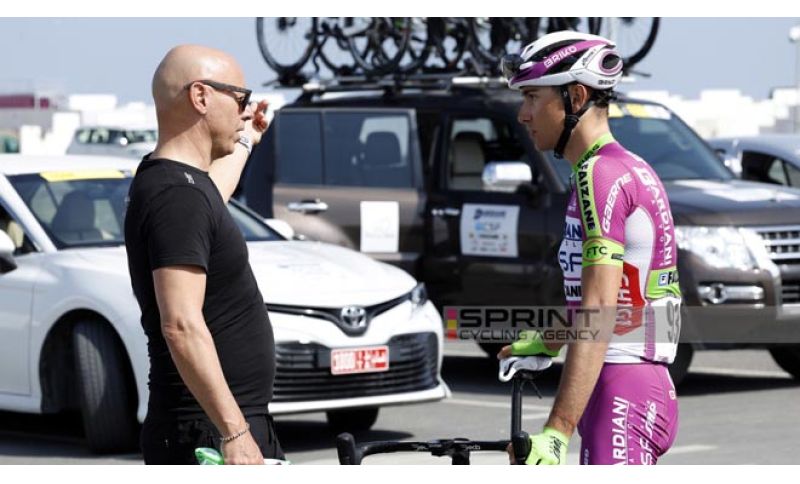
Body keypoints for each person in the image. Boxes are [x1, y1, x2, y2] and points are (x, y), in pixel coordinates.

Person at [498, 31, 681, 465]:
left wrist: (556, 431)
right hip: (628, 383)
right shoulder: (622, 167)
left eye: (532, 97)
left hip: (623, 388)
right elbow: (624, 297)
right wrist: (551, 339)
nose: (523, 114)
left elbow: (599, 310)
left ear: (576, 96)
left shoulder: (598, 175)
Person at [124, 45, 281, 465]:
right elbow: (181, 324)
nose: (245, 112)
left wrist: (246, 140)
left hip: (215, 424)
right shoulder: (175, 195)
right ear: (201, 96)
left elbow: (212, 199)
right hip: (206, 433)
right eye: (241, 99)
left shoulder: (182, 185)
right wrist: (235, 432)